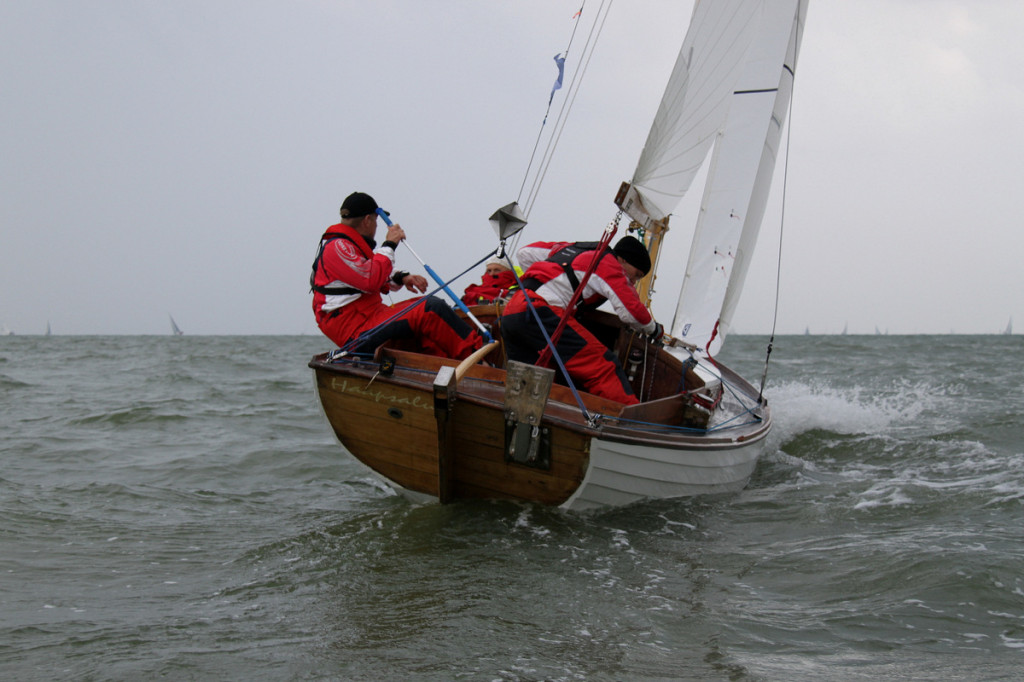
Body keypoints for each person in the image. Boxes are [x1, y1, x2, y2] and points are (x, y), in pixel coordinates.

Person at [310, 192, 482, 359]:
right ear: (368, 220)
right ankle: (482, 363)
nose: (377, 227)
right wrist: (390, 243)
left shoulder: (348, 246)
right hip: (357, 331)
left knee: (424, 331)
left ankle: (457, 371)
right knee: (431, 308)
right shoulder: (338, 247)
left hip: (369, 319)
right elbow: (371, 280)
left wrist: (402, 277)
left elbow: (374, 276)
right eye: (376, 222)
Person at [499, 236, 663, 405]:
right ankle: (630, 420)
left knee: (530, 383)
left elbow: (525, 253)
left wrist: (549, 280)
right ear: (622, 259)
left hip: (513, 311)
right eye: (637, 274)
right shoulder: (609, 264)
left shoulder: (569, 249)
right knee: (604, 366)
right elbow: (632, 313)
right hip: (539, 311)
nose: (634, 281)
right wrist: (654, 330)